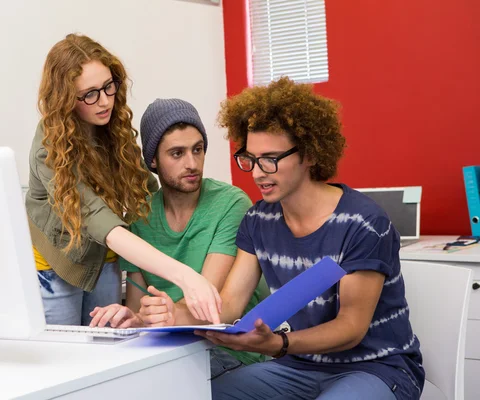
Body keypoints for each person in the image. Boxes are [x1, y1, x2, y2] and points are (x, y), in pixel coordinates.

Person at [144, 78, 425, 400]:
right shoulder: (258, 220)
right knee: (204, 395)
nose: (258, 173)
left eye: (271, 159)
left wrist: (279, 344)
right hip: (298, 367)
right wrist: (171, 315)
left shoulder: (363, 222)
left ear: (309, 154)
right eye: (250, 159)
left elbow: (351, 328)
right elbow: (232, 304)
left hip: (376, 368)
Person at [25, 34, 221, 327]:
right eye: (89, 94)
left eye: (108, 86)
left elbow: (148, 194)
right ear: (65, 98)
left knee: (108, 348)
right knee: (65, 356)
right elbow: (98, 220)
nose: (104, 101)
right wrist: (185, 275)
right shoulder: (50, 146)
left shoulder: (112, 128)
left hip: (105, 260)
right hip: (58, 265)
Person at [89, 98, 266, 378]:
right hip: (168, 348)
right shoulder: (139, 216)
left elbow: (210, 303)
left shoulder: (231, 203)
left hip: (226, 350)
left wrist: (166, 315)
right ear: (153, 161)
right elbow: (138, 306)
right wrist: (132, 318)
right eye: (177, 153)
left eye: (198, 150)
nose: (192, 163)